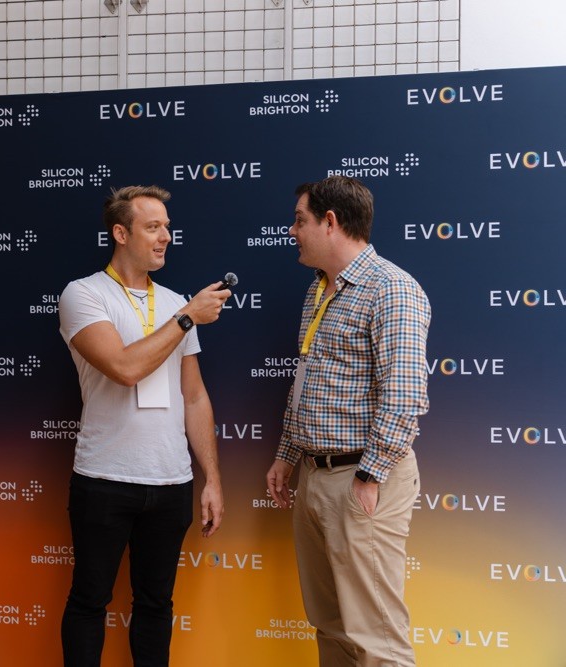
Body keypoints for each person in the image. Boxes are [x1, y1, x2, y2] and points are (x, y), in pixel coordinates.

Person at [58, 185, 229, 666]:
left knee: (156, 605)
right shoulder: (84, 293)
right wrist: (187, 318)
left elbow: (193, 396)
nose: (165, 237)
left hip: (171, 480)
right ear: (120, 232)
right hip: (105, 479)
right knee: (89, 601)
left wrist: (211, 479)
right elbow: (124, 367)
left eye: (168, 228)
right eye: (153, 227)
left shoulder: (175, 301)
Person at [266, 176, 430, 667]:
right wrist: (287, 455)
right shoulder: (318, 291)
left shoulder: (392, 289)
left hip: (362, 480)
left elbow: (404, 396)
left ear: (330, 222)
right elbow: (307, 382)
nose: (292, 230)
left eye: (300, 220)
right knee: (332, 625)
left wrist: (369, 474)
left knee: (376, 637)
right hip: (318, 477)